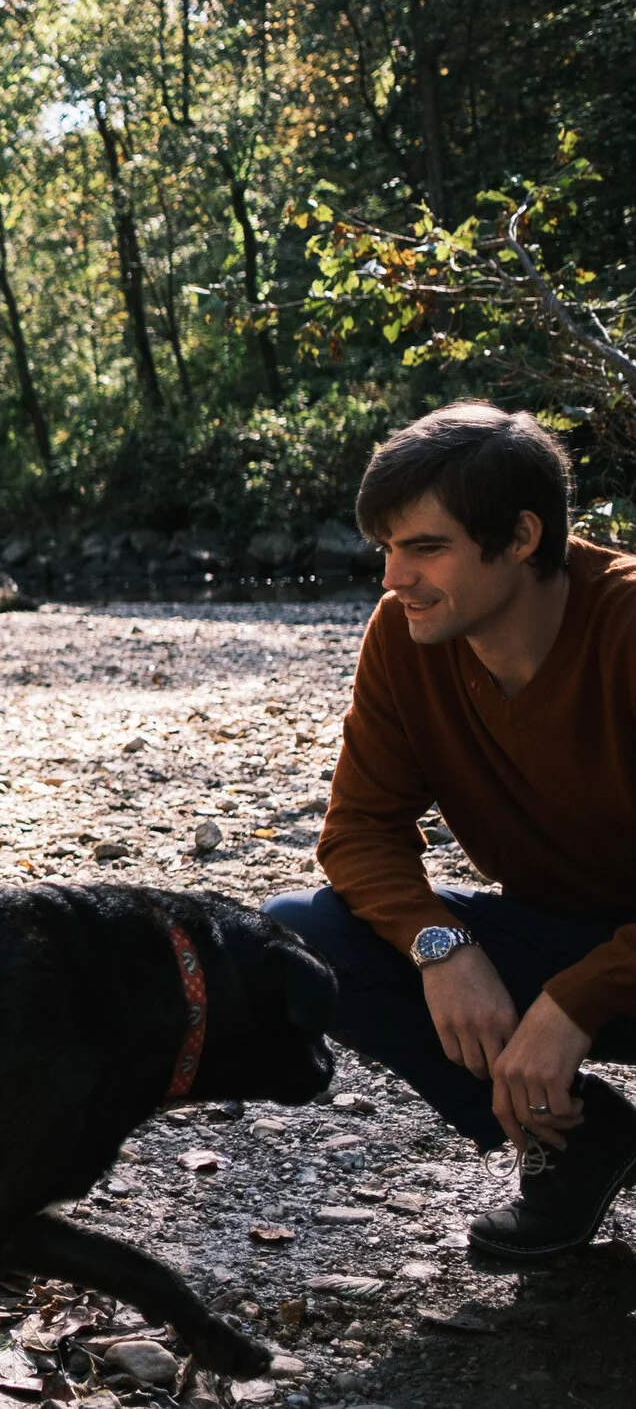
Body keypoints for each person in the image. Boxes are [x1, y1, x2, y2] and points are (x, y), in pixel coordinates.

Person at [264, 402, 636, 1263]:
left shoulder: (624, 628)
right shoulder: (406, 638)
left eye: (424, 547)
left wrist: (578, 998)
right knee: (307, 933)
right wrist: (442, 944)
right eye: (386, 548)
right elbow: (357, 832)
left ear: (519, 536)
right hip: (562, 930)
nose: (394, 577)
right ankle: (577, 1144)